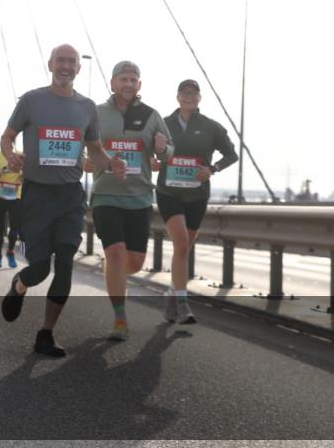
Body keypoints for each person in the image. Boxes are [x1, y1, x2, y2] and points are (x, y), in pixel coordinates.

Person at [0, 44, 126, 357]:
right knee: (40, 268)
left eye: (71, 61)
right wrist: (10, 154)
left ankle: (46, 333)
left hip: (70, 196)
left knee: (66, 265)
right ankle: (20, 283)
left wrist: (111, 162)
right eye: (61, 61)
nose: (66, 66)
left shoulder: (86, 107)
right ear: (50, 64)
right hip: (37, 195)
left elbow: (94, 148)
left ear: (77, 69)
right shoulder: (31, 100)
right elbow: (7, 136)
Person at [88, 60, 173, 341]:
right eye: (122, 79)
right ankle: (120, 318)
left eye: (133, 79)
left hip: (139, 198)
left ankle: (113, 274)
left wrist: (163, 149)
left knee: (134, 263)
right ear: (112, 83)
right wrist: (96, 163)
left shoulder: (151, 115)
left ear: (139, 85)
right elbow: (82, 151)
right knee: (115, 251)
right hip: (105, 195)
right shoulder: (97, 114)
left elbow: (168, 153)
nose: (128, 83)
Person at [156, 79, 237, 323]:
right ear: (177, 97)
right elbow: (147, 150)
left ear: (199, 98)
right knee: (181, 243)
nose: (189, 97)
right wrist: (152, 161)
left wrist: (212, 169)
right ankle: (183, 304)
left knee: (184, 248)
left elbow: (231, 154)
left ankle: (171, 294)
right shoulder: (163, 124)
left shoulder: (211, 127)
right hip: (168, 193)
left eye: (193, 93)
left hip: (197, 195)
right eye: (184, 93)